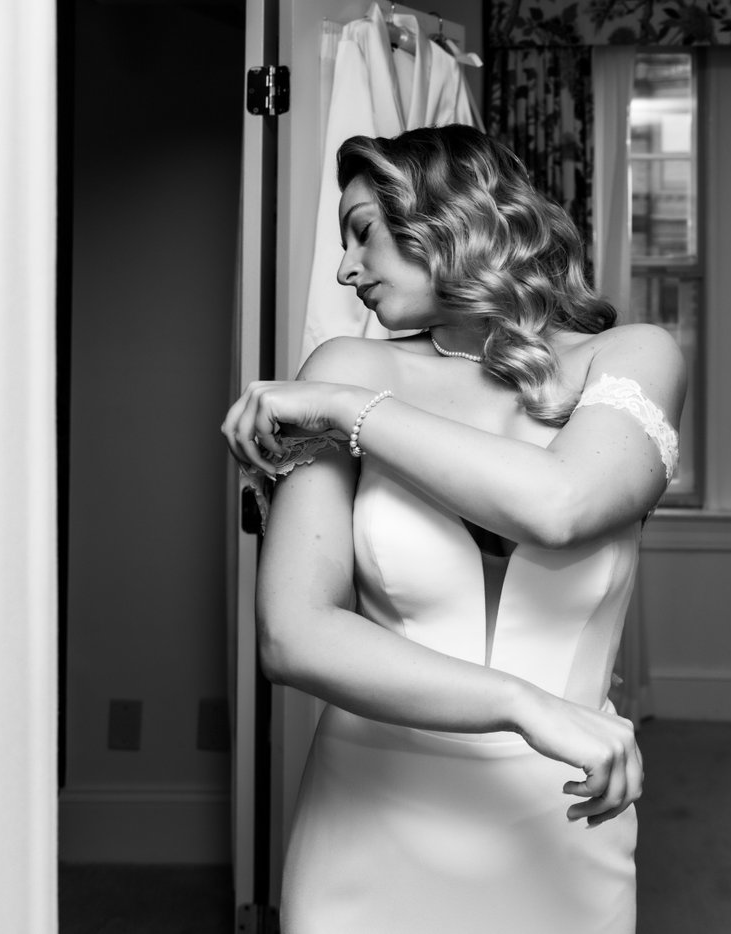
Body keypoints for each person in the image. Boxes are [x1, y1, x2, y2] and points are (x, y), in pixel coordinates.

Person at [221, 124, 685, 933]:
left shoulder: (632, 357)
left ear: (451, 216)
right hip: (369, 823)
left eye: (363, 230)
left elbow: (561, 505)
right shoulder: (345, 363)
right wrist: (521, 705)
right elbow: (290, 634)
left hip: (565, 826)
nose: (344, 268)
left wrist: (346, 414)